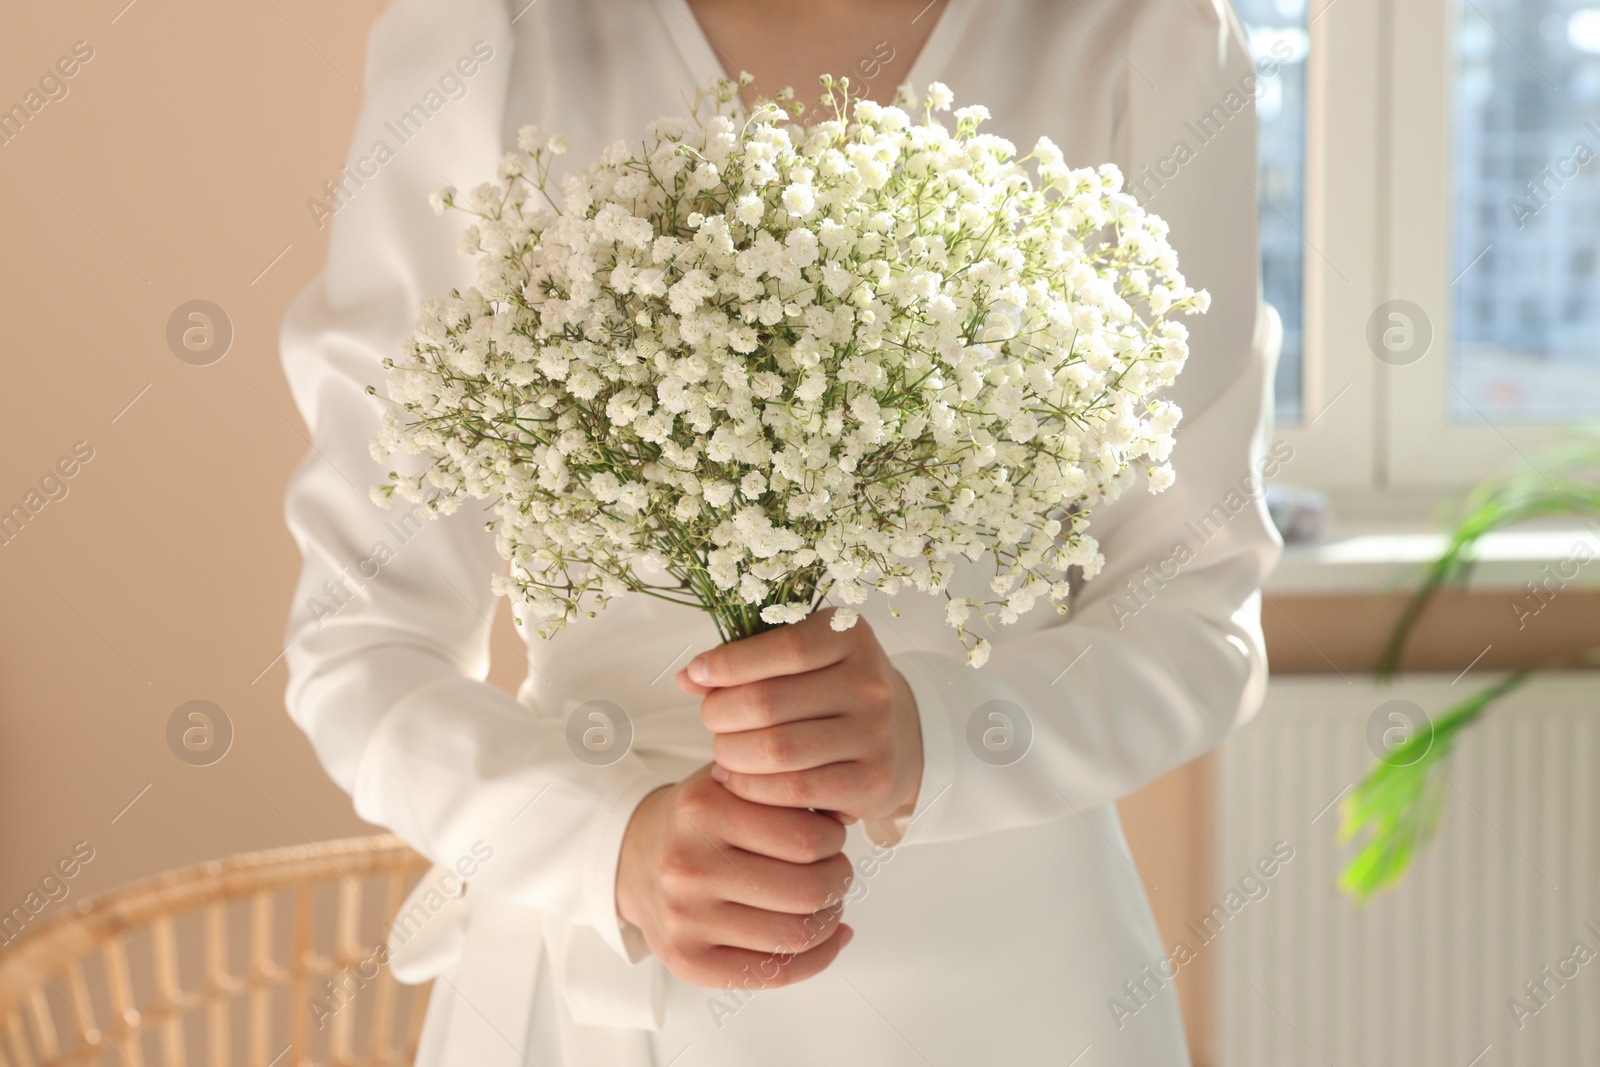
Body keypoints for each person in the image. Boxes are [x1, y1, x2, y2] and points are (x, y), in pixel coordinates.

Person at [277, 0, 1283, 1064]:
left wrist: (933, 735)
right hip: (605, 1002)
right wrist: (609, 842)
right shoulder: (493, 40)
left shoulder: (1139, 39)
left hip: (1011, 1000)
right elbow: (359, 645)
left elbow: (1194, 614)